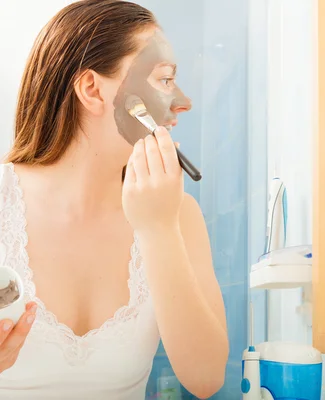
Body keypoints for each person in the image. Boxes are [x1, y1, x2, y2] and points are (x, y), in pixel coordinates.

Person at [0, 1, 228, 398]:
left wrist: (158, 229)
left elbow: (206, 379)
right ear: (92, 89)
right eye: (164, 79)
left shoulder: (178, 215)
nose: (183, 102)